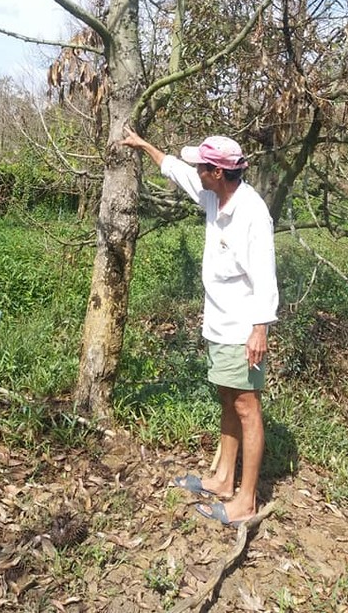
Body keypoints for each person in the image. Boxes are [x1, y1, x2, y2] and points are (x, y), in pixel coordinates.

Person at [121, 128, 278, 527]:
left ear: (218, 172)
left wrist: (260, 328)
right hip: (219, 323)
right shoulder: (213, 195)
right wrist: (144, 145)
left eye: (202, 167)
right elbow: (174, 169)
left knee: (247, 406)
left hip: (242, 327)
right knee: (228, 398)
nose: (197, 171)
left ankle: (246, 499)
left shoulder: (252, 213)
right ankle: (223, 479)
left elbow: (265, 275)